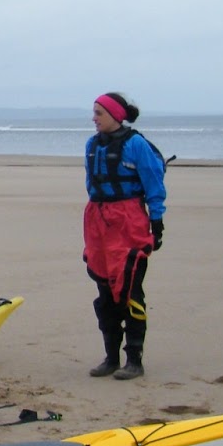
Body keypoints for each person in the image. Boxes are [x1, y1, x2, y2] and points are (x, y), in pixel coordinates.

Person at [83, 91, 167, 380]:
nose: (93, 118)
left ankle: (134, 360)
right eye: (93, 113)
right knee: (105, 293)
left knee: (130, 291)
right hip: (98, 223)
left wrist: (156, 223)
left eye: (99, 113)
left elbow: (154, 184)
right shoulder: (92, 145)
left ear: (116, 116)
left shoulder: (136, 145)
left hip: (128, 222)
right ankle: (110, 358)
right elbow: (91, 185)